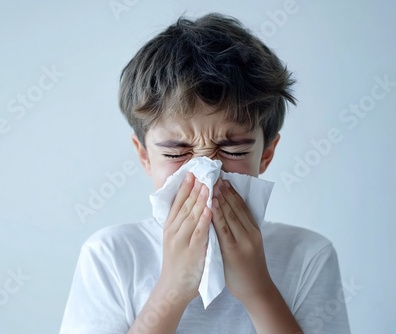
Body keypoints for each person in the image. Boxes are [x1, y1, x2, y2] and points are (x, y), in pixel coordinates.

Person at [60, 13, 350, 333]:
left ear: (266, 154)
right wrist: (172, 288)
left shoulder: (308, 256)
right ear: (144, 155)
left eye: (234, 151)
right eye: (175, 153)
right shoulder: (111, 257)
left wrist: (258, 291)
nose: (206, 175)